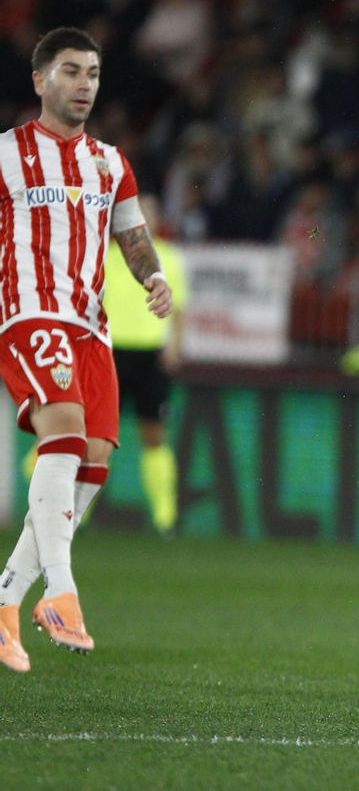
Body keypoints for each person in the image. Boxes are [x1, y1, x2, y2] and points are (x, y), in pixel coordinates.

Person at [0, 27, 173, 672]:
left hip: (90, 325)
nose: (84, 85)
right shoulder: (7, 154)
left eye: (94, 74)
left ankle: (7, 600)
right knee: (65, 436)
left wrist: (153, 276)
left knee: (94, 461)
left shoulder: (109, 161)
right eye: (71, 72)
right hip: (27, 312)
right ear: (41, 80)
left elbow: (132, 237)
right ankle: (64, 593)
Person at [103, 192, 187, 537]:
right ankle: (79, 514)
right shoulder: (106, 255)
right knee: (99, 437)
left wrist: (175, 346)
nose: (144, 218)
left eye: (149, 212)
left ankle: (165, 516)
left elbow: (179, 309)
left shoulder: (168, 257)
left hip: (150, 354)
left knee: (154, 434)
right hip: (110, 354)